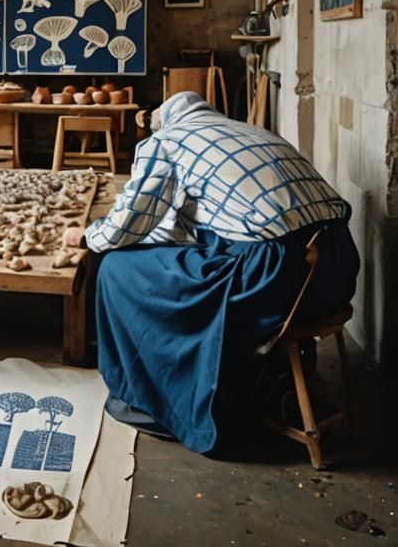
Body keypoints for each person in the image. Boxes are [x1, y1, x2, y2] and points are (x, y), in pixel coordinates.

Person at [64, 90, 359, 452]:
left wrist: (89, 236)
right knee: (175, 258)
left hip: (277, 276)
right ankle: (268, 377)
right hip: (335, 267)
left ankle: (153, 395)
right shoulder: (251, 132)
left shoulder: (168, 141)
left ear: (164, 121)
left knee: (118, 268)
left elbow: (127, 226)